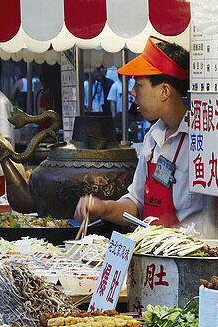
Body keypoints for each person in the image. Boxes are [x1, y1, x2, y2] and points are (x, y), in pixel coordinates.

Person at [75, 38, 202, 228]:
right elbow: (137, 203)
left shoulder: (202, 140)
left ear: (164, 91)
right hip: (153, 252)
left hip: (191, 254)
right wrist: (103, 208)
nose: (132, 92)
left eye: (139, 85)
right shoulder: (153, 136)